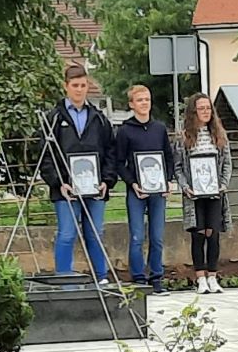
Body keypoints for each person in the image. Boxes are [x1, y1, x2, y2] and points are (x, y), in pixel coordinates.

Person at [39, 64, 116, 286]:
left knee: (95, 233)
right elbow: (46, 155)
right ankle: (65, 280)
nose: (79, 90)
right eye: (75, 86)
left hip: (95, 188)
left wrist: (107, 181)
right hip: (66, 190)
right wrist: (58, 182)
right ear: (66, 87)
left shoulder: (99, 119)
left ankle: (101, 277)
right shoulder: (53, 118)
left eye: (83, 85)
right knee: (67, 233)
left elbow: (111, 151)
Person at [113, 85, 175, 294]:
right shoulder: (124, 131)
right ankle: (138, 278)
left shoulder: (159, 128)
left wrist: (168, 180)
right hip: (137, 191)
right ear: (132, 104)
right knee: (137, 236)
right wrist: (132, 184)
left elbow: (168, 156)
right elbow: (119, 162)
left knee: (157, 236)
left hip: (158, 190)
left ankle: (156, 278)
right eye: (139, 100)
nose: (144, 103)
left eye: (147, 99)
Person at [173, 92, 232, 294]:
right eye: (201, 108)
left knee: (212, 234)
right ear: (193, 112)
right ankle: (200, 278)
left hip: (215, 193)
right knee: (198, 234)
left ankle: (213, 276)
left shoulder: (219, 135)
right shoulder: (183, 137)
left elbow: (227, 163)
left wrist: (223, 184)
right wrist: (184, 186)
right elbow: (178, 167)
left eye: (208, 108)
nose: (205, 112)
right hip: (194, 194)